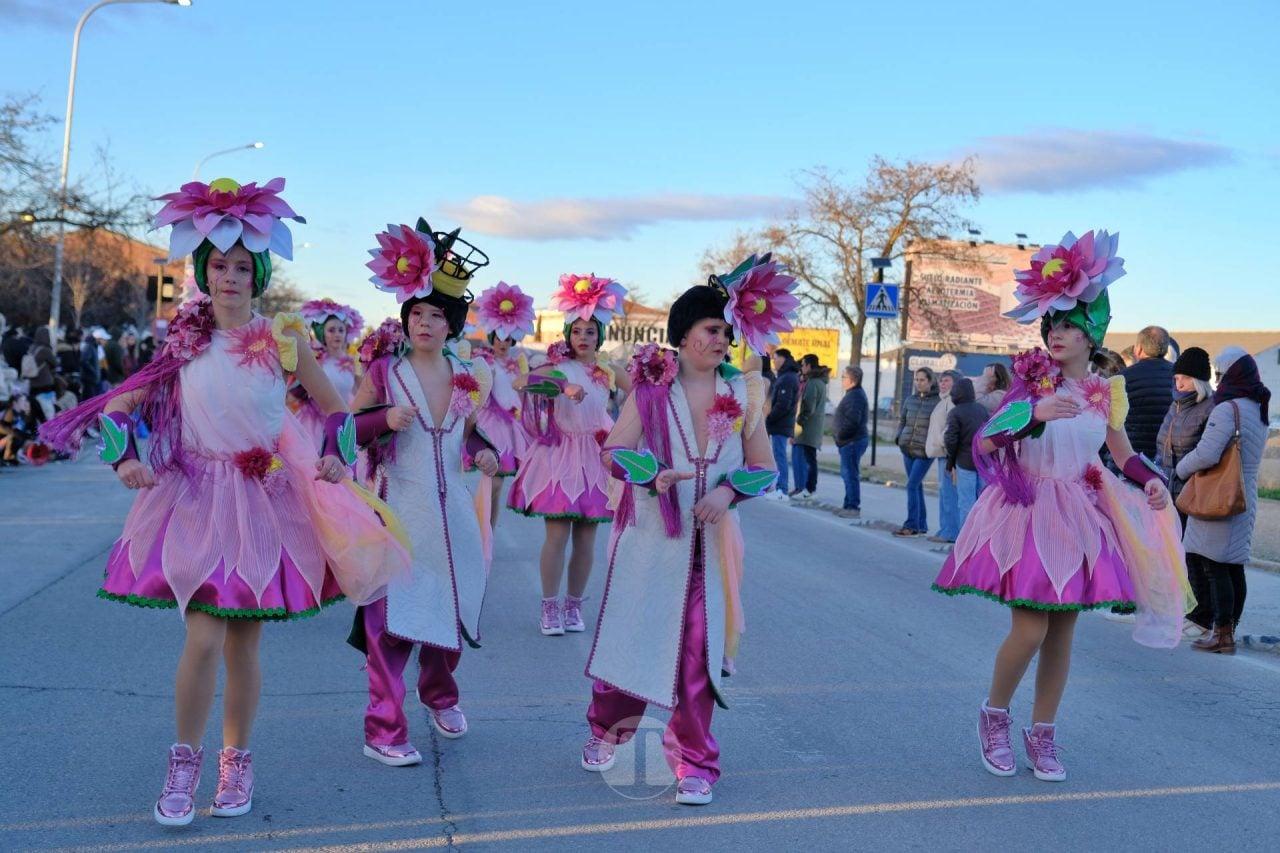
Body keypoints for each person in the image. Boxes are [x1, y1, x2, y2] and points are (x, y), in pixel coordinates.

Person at [39, 176, 410, 826]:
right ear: (202, 269)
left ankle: (237, 760)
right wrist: (123, 456)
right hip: (195, 501)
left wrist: (335, 453)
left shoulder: (286, 339)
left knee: (244, 645)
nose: (231, 276)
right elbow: (120, 406)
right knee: (203, 637)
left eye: (244, 266)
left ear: (260, 271)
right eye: (219, 264)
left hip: (265, 503)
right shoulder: (183, 339)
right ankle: (184, 757)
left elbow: (337, 412)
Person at [933, 230, 1188, 784]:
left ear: (1092, 333)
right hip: (1026, 512)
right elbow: (987, 445)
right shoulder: (1028, 385)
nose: (1060, 334)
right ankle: (994, 716)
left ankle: (1042, 733)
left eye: (1072, 326)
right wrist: (1034, 414)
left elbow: (1121, 452)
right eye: (1055, 325)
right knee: (1029, 631)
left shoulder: (1107, 391)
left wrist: (1152, 481)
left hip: (1079, 511)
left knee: (1063, 635)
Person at [582, 252, 790, 806]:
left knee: (698, 650)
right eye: (710, 329)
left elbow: (765, 467)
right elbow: (613, 454)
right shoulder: (652, 388)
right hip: (652, 539)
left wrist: (728, 490)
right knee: (636, 638)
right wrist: (652, 477)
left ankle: (695, 761)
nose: (721, 339)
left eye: (726, 330)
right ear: (683, 333)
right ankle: (606, 728)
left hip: (711, 545)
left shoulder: (744, 392)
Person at [349, 219, 501, 764]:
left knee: (447, 611)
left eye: (437, 315)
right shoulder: (385, 371)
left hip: (454, 510)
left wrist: (484, 452)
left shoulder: (469, 373)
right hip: (396, 508)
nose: (426, 323)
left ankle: (439, 695)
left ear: (452, 322)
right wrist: (383, 418)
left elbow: (475, 431)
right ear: (404, 316)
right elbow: (345, 430)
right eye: (417, 313)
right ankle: (384, 729)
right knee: (390, 621)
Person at [508, 273, 630, 635]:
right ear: (567, 335)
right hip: (559, 457)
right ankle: (549, 608)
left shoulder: (609, 370)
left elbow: (644, 392)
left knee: (587, 538)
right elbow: (521, 382)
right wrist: (563, 384)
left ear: (601, 336)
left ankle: (574, 606)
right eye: (576, 331)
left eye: (590, 331)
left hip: (596, 457)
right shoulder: (556, 366)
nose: (582, 338)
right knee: (557, 535)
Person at [1179, 347, 1271, 654]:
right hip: (1244, 495)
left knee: (1214, 566)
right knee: (1232, 566)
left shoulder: (1227, 409)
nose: (1217, 380)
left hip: (1220, 495)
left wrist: (1181, 468)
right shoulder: (1258, 407)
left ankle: (1220, 633)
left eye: (1220, 374)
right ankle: (1228, 629)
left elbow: (1207, 453)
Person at [1154, 347, 1215, 637]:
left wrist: (1180, 474)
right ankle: (1182, 608)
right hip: (1169, 490)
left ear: (1200, 381)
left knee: (1194, 556)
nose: (1179, 384)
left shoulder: (1209, 408)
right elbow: (1162, 446)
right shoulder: (1175, 405)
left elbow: (1205, 452)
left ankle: (1202, 615)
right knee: (1174, 552)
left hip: (1193, 492)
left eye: (1186, 378)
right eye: (1177, 377)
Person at [471, 281, 535, 528]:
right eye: (499, 337)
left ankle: (487, 533)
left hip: (510, 428)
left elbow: (521, 395)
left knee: (494, 486)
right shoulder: (481, 362)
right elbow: (474, 396)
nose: (503, 342)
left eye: (508, 338)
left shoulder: (518, 363)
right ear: (491, 336)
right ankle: (480, 531)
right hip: (488, 425)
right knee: (492, 483)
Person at [294, 298, 363, 450]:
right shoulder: (314, 360)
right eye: (331, 330)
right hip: (314, 424)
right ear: (322, 333)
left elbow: (361, 393)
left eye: (341, 330)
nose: (337, 334)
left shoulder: (354, 363)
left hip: (345, 423)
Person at [894, 367, 938, 536]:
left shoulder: (937, 402)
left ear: (930, 381)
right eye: (917, 380)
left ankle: (911, 524)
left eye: (922, 380)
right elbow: (903, 421)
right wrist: (899, 438)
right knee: (916, 486)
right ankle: (921, 524)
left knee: (911, 485)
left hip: (924, 452)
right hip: (908, 449)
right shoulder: (910, 400)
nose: (918, 383)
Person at [1119, 326, 1174, 461]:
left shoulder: (1123, 377)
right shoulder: (1179, 376)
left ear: (1138, 348)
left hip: (1131, 456)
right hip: (1167, 456)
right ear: (1166, 348)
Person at [944, 376, 986, 535]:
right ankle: (981, 540)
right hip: (982, 462)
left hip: (964, 462)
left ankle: (965, 541)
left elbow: (950, 440)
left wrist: (951, 461)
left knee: (966, 503)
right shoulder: (981, 409)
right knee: (982, 503)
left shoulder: (956, 412)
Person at [925, 369, 962, 542]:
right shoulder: (943, 400)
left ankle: (951, 531)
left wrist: (942, 443)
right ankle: (944, 528)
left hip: (948, 453)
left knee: (949, 494)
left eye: (946, 381)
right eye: (941, 381)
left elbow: (950, 428)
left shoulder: (952, 401)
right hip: (941, 453)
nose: (942, 384)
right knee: (944, 492)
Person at [833, 365, 869, 517]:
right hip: (849, 441)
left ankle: (853, 507)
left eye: (844, 377)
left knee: (850, 474)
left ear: (852, 380)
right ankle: (847, 505)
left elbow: (853, 421)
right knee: (847, 473)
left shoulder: (855, 396)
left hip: (852, 441)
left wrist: (841, 436)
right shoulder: (852, 394)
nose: (842, 380)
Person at [764, 348, 800, 499]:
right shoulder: (784, 376)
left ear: (783, 359)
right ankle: (777, 487)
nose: (774, 362)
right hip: (779, 423)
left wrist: (770, 417)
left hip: (781, 424)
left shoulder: (788, 378)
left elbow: (783, 404)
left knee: (780, 456)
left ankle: (782, 489)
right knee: (776, 456)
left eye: (775, 358)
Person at [792, 353, 829, 499]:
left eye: (803, 365)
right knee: (810, 458)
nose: (801, 368)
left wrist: (800, 421)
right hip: (814, 426)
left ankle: (809, 489)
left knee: (809, 459)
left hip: (810, 427)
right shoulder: (819, 382)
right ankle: (809, 489)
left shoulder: (813, 383)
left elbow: (808, 406)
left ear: (808, 366)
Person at [24, 326, 59, 424]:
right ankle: (48, 428)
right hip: (45, 383)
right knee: (47, 410)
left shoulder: (31, 347)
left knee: (36, 409)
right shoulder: (45, 350)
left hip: (32, 383)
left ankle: (37, 430)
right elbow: (55, 363)